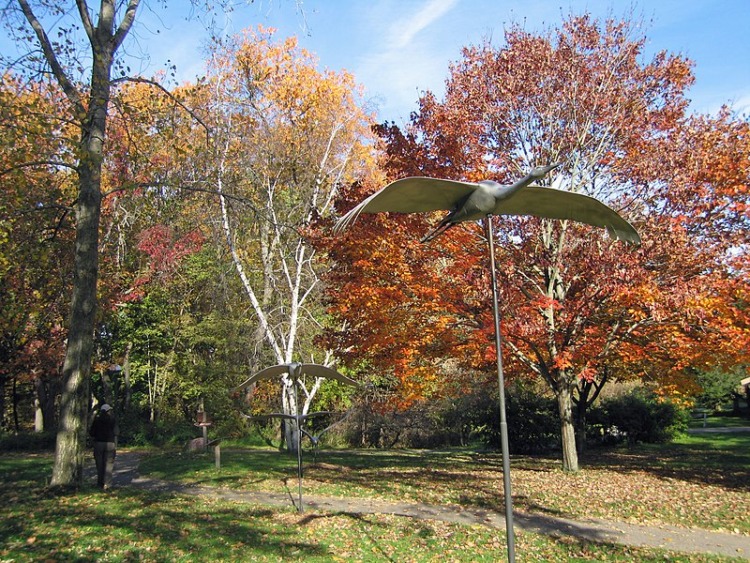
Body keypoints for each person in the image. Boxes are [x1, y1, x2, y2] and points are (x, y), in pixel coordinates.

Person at [89, 403, 117, 489]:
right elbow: (116, 432)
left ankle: (100, 483)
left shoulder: (96, 420)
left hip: (99, 443)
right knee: (109, 464)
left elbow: (91, 432)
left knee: (99, 464)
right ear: (108, 411)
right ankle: (108, 484)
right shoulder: (112, 420)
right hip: (110, 444)